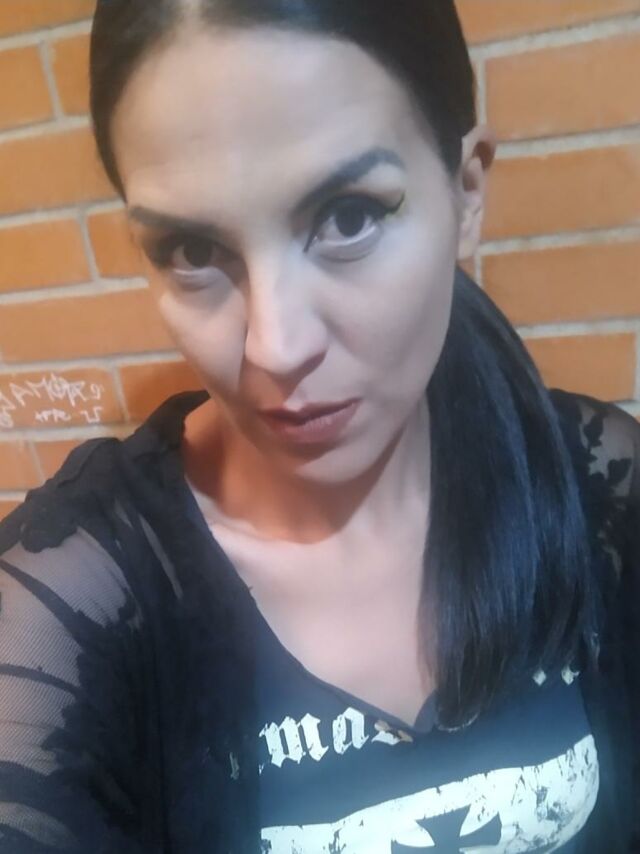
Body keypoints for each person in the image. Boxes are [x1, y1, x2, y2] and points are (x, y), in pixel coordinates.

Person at [0, 0, 638, 850]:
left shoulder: (596, 485)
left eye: (348, 217)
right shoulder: (76, 608)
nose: (276, 346)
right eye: (193, 251)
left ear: (466, 190)